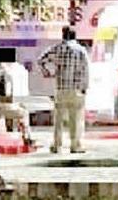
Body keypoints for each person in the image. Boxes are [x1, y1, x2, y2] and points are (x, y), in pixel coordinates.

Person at [38, 26, 89, 154]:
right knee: (75, 118)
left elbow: (41, 60)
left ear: (63, 35)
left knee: (58, 119)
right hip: (76, 89)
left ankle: (57, 145)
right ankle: (75, 145)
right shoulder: (81, 50)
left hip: (61, 88)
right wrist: (84, 87)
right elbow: (85, 70)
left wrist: (47, 72)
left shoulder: (57, 48)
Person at [0, 62, 34, 147]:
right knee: (24, 113)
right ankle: (27, 138)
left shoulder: (1, 70)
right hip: (6, 106)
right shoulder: (18, 70)